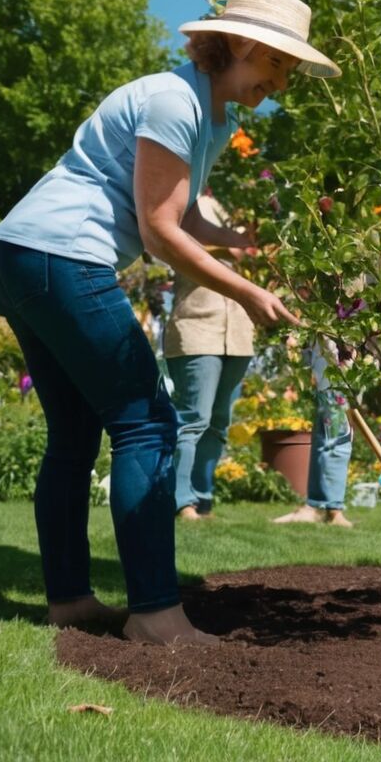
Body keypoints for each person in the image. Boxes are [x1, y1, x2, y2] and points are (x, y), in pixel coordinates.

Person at [0, 0, 339, 644]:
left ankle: (68, 600)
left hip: (24, 255)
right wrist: (244, 291)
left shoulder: (212, 116)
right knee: (147, 422)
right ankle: (155, 614)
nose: (284, 81)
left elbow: (185, 212)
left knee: (73, 432)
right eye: (281, 64)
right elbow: (157, 231)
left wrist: (245, 244)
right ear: (243, 45)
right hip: (60, 254)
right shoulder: (172, 101)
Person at [165, 194, 255, 521]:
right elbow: (175, 247)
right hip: (197, 328)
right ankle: (180, 501)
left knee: (218, 424)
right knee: (193, 419)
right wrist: (233, 248)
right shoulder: (181, 204)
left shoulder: (232, 212)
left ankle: (202, 499)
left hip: (239, 333)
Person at [274, 336, 354, 526]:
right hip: (330, 345)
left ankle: (323, 507)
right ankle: (327, 508)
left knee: (334, 427)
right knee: (332, 426)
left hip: (347, 343)